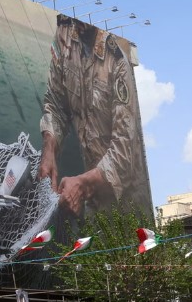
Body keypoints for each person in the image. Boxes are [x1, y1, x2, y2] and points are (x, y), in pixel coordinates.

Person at [38, 15, 148, 218]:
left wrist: (82, 185)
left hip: (132, 206)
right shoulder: (65, 33)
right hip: (94, 203)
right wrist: (49, 149)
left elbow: (124, 148)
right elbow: (56, 103)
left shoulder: (117, 58)